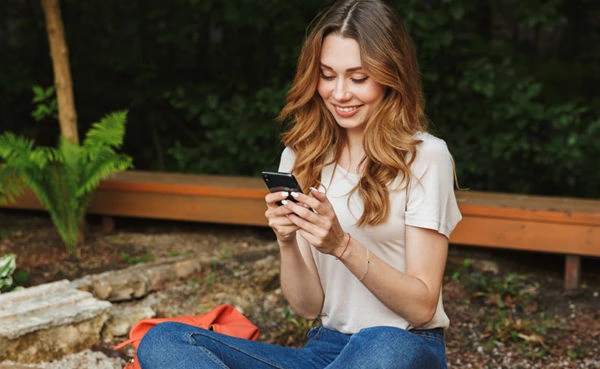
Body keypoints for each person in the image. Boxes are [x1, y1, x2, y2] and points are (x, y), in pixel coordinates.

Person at [136, 0, 461, 368]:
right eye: (327, 75)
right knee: (165, 340)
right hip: (325, 351)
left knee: (382, 344)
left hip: (403, 347)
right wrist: (287, 240)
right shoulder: (303, 154)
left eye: (358, 78)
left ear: (391, 76)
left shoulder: (426, 156)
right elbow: (308, 307)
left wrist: (341, 245)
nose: (339, 93)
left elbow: (421, 306)